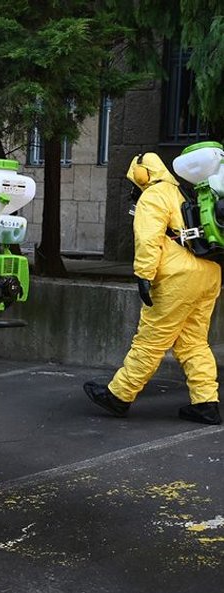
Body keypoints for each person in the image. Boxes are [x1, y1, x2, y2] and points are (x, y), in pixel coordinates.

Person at [84, 152, 222, 425]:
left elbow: (149, 239)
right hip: (209, 272)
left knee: (150, 340)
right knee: (194, 342)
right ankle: (206, 402)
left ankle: (119, 395)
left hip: (178, 277)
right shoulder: (183, 192)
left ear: (141, 174)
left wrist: (143, 275)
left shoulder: (154, 195)